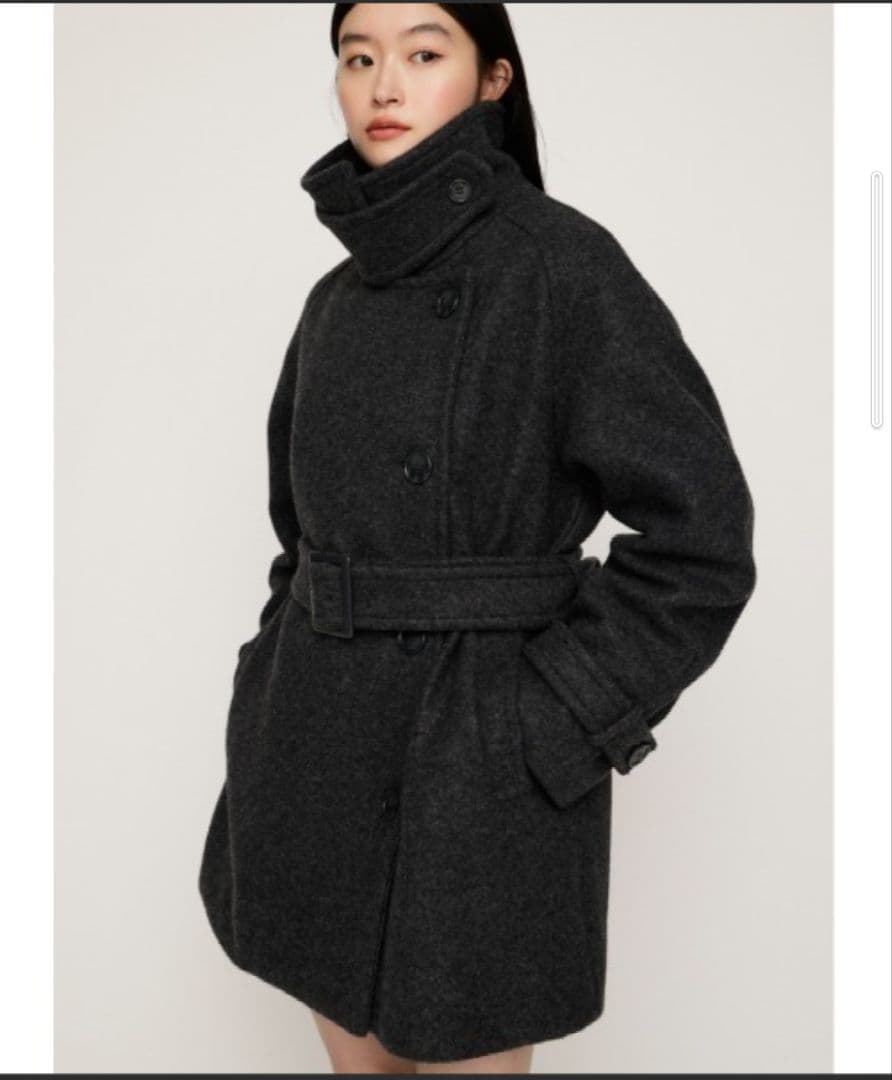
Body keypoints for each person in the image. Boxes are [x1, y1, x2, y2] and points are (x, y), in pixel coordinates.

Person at [198, 3, 758, 1074]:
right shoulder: (332, 301)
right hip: (313, 753)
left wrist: (548, 719)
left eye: (423, 53)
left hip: (482, 771)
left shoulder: (562, 268)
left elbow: (704, 536)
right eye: (357, 58)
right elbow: (297, 533)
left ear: (494, 79)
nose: (383, 85)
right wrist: (270, 676)